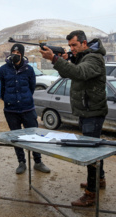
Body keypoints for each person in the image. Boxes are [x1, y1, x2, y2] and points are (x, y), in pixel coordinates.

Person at [40, 30, 108, 207]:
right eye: (70, 45)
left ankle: (91, 194)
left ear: (84, 44)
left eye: (74, 45)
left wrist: (55, 59)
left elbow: (79, 73)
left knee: (90, 153)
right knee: (93, 149)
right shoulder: (84, 56)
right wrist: (66, 58)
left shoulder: (94, 58)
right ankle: (99, 180)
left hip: (92, 112)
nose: (72, 48)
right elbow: (66, 74)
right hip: (86, 110)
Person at [0, 43, 51, 174]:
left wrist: (25, 98)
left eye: (18, 54)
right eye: (13, 53)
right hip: (11, 111)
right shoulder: (3, 69)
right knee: (16, 138)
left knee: (34, 136)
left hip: (28, 109)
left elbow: (31, 87)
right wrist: (9, 99)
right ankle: (21, 162)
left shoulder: (29, 69)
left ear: (22, 55)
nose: (15, 56)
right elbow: (1, 88)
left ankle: (38, 162)